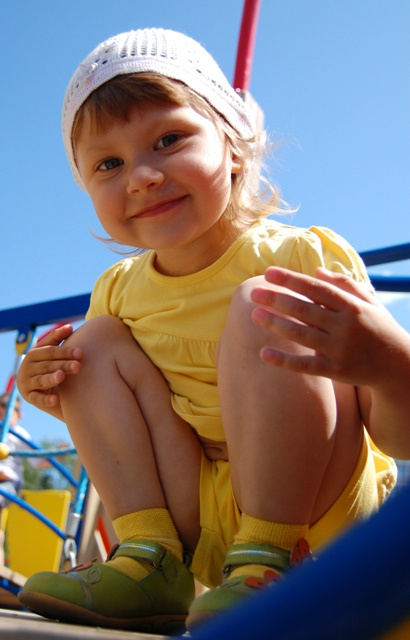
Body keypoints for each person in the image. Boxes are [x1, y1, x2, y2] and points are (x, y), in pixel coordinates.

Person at [15, 27, 403, 634]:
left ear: (235, 146)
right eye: (109, 164)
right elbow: (130, 423)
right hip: (199, 520)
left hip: (316, 514)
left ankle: (272, 557)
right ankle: (151, 559)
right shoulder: (117, 293)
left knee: (261, 305)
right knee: (89, 346)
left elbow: (396, 436)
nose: (141, 175)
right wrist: (56, 389)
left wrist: (390, 367)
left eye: (168, 140)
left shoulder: (302, 258)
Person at [0, 393, 31, 565]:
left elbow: (38, 461)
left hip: (9, 482)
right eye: (1, 410)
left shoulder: (19, 434)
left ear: (19, 415)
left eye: (8, 411)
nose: (3, 415)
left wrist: (58, 455)